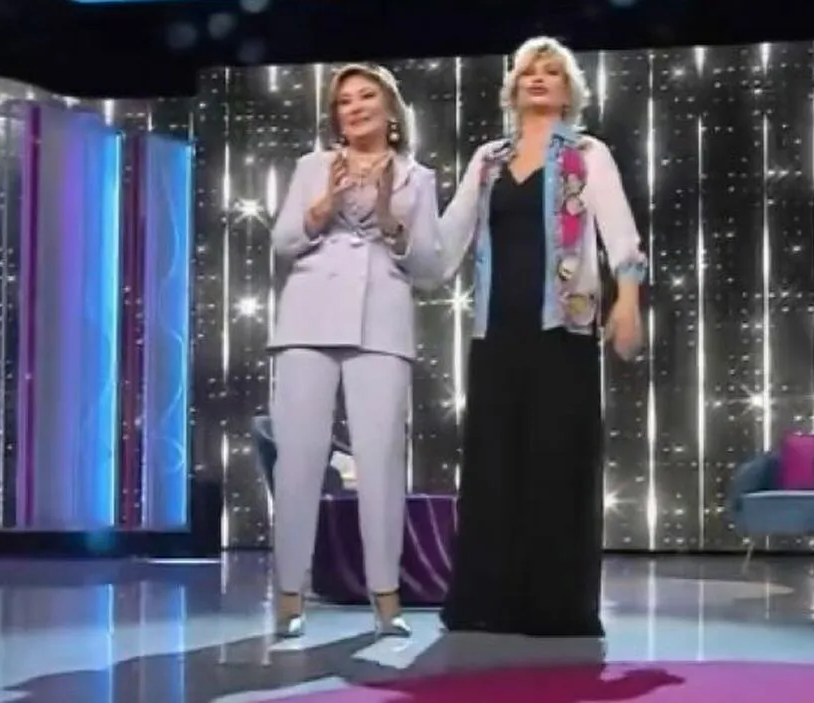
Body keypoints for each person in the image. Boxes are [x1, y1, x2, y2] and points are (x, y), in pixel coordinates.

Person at [435, 37, 647, 638]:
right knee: (494, 466)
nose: (539, 78)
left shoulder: (587, 153)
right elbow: (445, 245)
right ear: (513, 85)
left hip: (564, 331)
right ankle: (487, 602)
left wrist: (627, 301)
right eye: (530, 70)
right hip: (497, 333)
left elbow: (621, 236)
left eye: (552, 72)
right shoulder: (488, 160)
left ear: (568, 90)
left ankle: (556, 606)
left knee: (557, 463)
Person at [267, 64, 442, 639]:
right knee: (298, 458)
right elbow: (283, 242)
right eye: (345, 101)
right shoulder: (312, 167)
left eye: (367, 96)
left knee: (381, 459)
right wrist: (322, 208)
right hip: (307, 318)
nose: (356, 107)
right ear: (336, 115)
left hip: (382, 324)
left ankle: (386, 596)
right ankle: (289, 594)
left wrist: (392, 222)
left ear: (390, 110)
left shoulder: (418, 178)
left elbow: (430, 269)